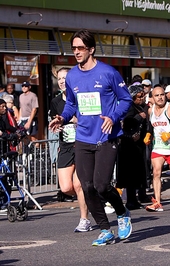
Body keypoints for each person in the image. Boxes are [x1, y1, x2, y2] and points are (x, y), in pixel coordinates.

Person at [49, 29, 132, 246]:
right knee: (86, 187)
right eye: (73, 48)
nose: (76, 52)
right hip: (83, 138)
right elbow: (71, 105)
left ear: (91, 49)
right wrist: (62, 118)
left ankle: (122, 213)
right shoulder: (73, 75)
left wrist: (113, 117)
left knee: (102, 185)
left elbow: (126, 100)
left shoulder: (108, 73)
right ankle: (105, 229)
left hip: (107, 136)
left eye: (80, 48)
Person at [49, 67, 91, 232]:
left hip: (82, 144)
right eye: (59, 78)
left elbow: (90, 119)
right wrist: (56, 126)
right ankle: (91, 196)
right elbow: (54, 119)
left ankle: (84, 219)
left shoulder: (81, 98)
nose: (61, 81)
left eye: (64, 78)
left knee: (78, 184)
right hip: (65, 146)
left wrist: (76, 120)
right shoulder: (56, 102)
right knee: (66, 187)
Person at [116, 84, 148, 210]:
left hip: (137, 144)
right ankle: (130, 200)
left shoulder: (138, 106)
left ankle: (134, 199)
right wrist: (139, 117)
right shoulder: (129, 107)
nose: (142, 98)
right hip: (128, 145)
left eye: (143, 95)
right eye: (140, 96)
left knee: (135, 175)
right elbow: (126, 122)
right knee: (130, 174)